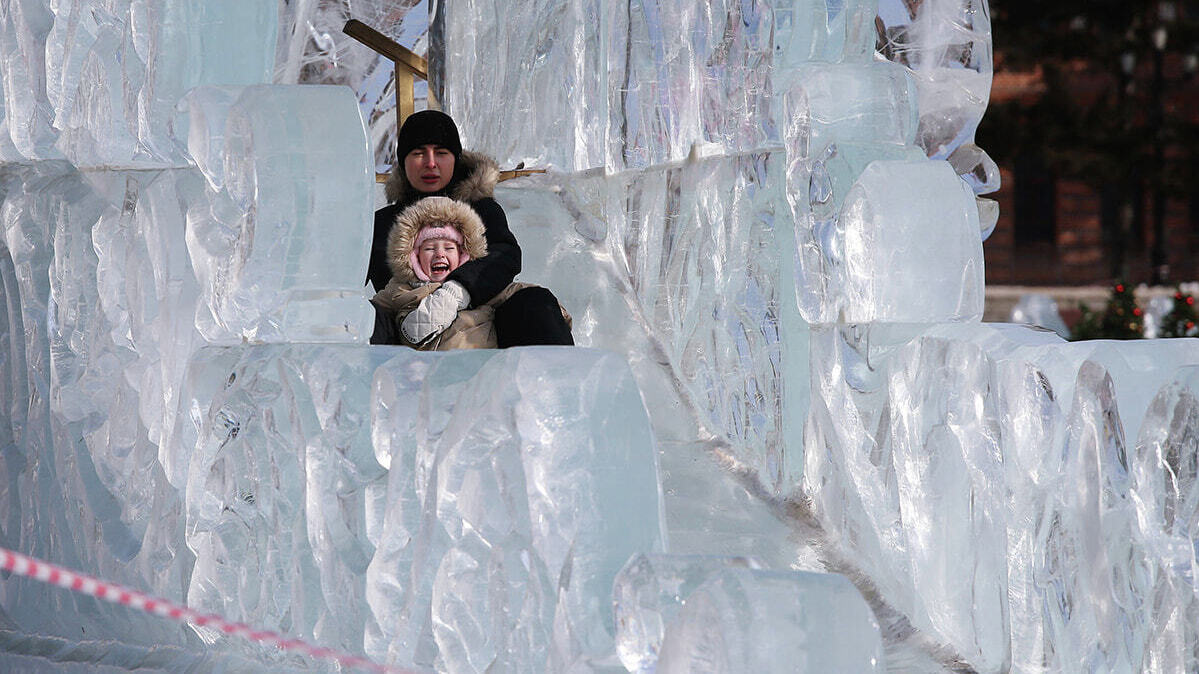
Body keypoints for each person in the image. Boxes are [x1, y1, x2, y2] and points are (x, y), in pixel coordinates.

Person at [368, 110, 573, 347]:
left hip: (482, 322)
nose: (431, 163)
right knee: (364, 319)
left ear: (456, 159)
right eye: (418, 153)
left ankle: (554, 380)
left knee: (534, 303)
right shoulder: (382, 223)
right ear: (403, 162)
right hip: (406, 334)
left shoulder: (482, 210)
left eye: (441, 153)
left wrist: (458, 291)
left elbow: (504, 255)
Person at [370, 196, 571, 349]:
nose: (439, 255)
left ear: (464, 256)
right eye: (429, 249)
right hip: (423, 379)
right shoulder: (400, 289)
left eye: (449, 249)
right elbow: (375, 309)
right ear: (414, 256)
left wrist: (552, 312)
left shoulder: (482, 293)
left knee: (534, 302)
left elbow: (515, 292)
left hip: (481, 375)